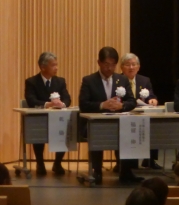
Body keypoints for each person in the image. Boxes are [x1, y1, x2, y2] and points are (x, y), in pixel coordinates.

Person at [78, 46, 137, 184]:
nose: (109, 68)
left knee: (126, 133)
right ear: (99, 63)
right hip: (95, 123)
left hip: (118, 122)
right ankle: (97, 171)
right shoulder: (89, 80)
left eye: (113, 65)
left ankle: (125, 171)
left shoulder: (122, 80)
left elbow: (132, 101)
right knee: (98, 134)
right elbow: (83, 104)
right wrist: (101, 105)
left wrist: (122, 106)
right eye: (106, 64)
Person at [24, 51, 72, 176]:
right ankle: (40, 163)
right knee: (38, 132)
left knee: (64, 131)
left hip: (57, 119)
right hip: (40, 119)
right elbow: (31, 100)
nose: (56, 68)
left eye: (56, 65)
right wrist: (47, 104)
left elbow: (68, 99)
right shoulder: (31, 82)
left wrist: (62, 104)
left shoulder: (60, 81)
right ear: (43, 67)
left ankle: (57, 163)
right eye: (53, 65)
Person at [120, 53, 161, 169]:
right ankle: (121, 163)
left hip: (142, 114)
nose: (131, 68)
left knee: (154, 126)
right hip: (124, 115)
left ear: (138, 67)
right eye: (128, 65)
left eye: (134, 64)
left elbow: (151, 96)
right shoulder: (117, 80)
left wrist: (153, 100)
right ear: (122, 67)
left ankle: (150, 160)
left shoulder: (144, 80)